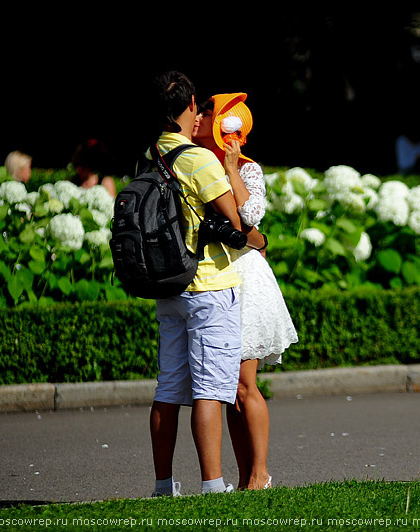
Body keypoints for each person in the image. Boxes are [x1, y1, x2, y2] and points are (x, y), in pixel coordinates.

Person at [147, 71, 267, 497]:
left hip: (168, 285)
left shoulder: (151, 154)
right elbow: (237, 222)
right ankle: (214, 485)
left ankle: (164, 486)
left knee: (168, 388)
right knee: (210, 390)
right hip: (209, 284)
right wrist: (262, 241)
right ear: (192, 104)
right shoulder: (198, 160)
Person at [193, 93, 298, 490]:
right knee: (225, 387)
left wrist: (233, 168)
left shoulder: (248, 169)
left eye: (207, 112)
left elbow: (251, 217)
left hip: (246, 280)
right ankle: (244, 477)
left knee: (243, 382)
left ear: (226, 125)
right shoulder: (195, 162)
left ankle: (260, 473)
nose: (199, 116)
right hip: (213, 276)